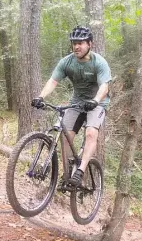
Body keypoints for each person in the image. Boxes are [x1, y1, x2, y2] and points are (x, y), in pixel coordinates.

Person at [31, 26, 112, 187]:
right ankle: (67, 172)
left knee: (90, 133)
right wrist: (41, 96)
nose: (76, 46)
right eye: (74, 43)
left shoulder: (99, 62)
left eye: (80, 43)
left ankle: (80, 170)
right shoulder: (66, 62)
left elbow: (105, 86)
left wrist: (95, 100)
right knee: (65, 136)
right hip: (76, 103)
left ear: (90, 44)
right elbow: (53, 81)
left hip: (97, 103)